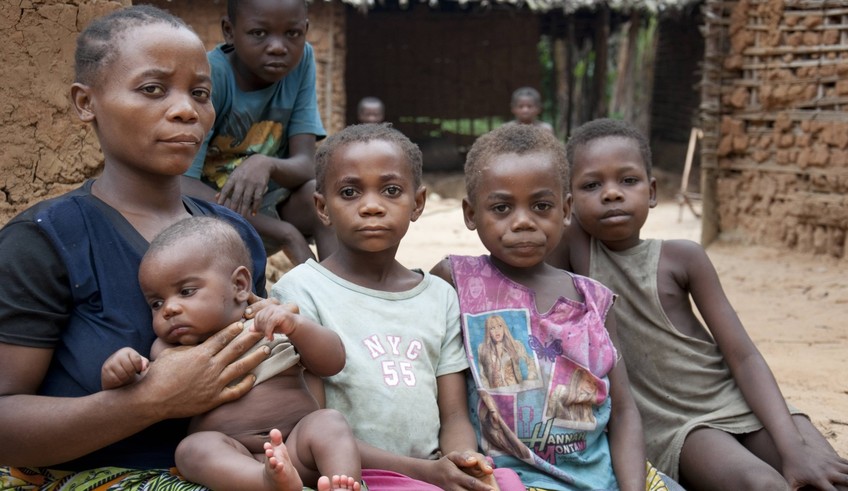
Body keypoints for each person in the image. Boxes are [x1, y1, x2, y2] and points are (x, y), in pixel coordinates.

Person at [0, 5, 275, 489]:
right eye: (153, 89)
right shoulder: (45, 240)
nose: (186, 109)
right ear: (86, 103)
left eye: (200, 93)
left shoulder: (234, 238)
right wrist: (151, 401)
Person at [548, 117, 848, 491]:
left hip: (735, 398)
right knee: (764, 485)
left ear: (652, 192)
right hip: (676, 424)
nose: (611, 194)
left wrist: (792, 448)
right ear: (569, 202)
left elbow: (744, 356)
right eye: (592, 185)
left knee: (839, 479)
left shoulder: (683, 258)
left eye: (628, 180)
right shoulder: (576, 250)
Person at [269, 123, 524, 490]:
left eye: (391, 191)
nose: (371, 206)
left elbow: (452, 415)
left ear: (417, 203)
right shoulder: (301, 293)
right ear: (323, 208)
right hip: (351, 474)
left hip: (431, 470)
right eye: (350, 192)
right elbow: (313, 426)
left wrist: (462, 461)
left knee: (506, 484)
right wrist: (426, 474)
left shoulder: (438, 296)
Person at [431, 123, 663, 491]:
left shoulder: (594, 299)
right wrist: (465, 463)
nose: (523, 221)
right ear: (471, 214)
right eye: (502, 207)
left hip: (605, 476)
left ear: (565, 209)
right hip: (513, 479)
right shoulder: (457, 280)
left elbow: (623, 412)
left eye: (541, 206)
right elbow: (449, 400)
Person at [101, 216, 362, 491]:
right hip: (233, 458)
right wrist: (120, 373)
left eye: (186, 291)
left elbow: (333, 362)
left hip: (297, 444)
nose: (169, 309)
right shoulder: (168, 350)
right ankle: (267, 482)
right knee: (192, 449)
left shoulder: (269, 319)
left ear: (239, 285)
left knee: (328, 422)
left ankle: (340, 483)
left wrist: (297, 327)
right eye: (156, 302)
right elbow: (143, 396)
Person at [182, 0, 335, 266]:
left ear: (305, 30)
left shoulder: (301, 62)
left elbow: (306, 165)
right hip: (209, 218)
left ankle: (340, 291)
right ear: (229, 31)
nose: (278, 47)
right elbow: (182, 186)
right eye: (259, 33)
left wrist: (266, 164)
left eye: (292, 33)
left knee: (324, 199)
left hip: (271, 204)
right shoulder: (212, 75)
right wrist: (286, 233)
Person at [477, 314, 539, 389]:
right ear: (488, 332)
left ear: (504, 328)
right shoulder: (483, 349)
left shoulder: (516, 345)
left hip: (516, 390)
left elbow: (531, 363)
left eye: (500, 326)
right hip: (497, 395)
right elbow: (483, 376)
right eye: (492, 328)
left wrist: (529, 379)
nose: (497, 331)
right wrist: (488, 392)